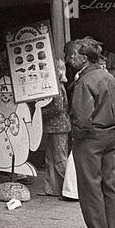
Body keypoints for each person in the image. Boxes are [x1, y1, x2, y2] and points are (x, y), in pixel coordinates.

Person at [68, 40, 115, 228]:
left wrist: (77, 134)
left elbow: (81, 116)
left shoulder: (84, 82)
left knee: (90, 187)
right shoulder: (109, 78)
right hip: (109, 134)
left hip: (90, 138)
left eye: (73, 55)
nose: (70, 59)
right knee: (109, 184)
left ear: (84, 58)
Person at [40, 60, 71, 197]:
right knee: (52, 158)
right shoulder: (58, 86)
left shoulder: (57, 87)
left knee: (58, 158)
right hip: (56, 126)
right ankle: (54, 189)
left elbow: (57, 108)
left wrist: (40, 112)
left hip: (58, 125)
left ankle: (69, 189)